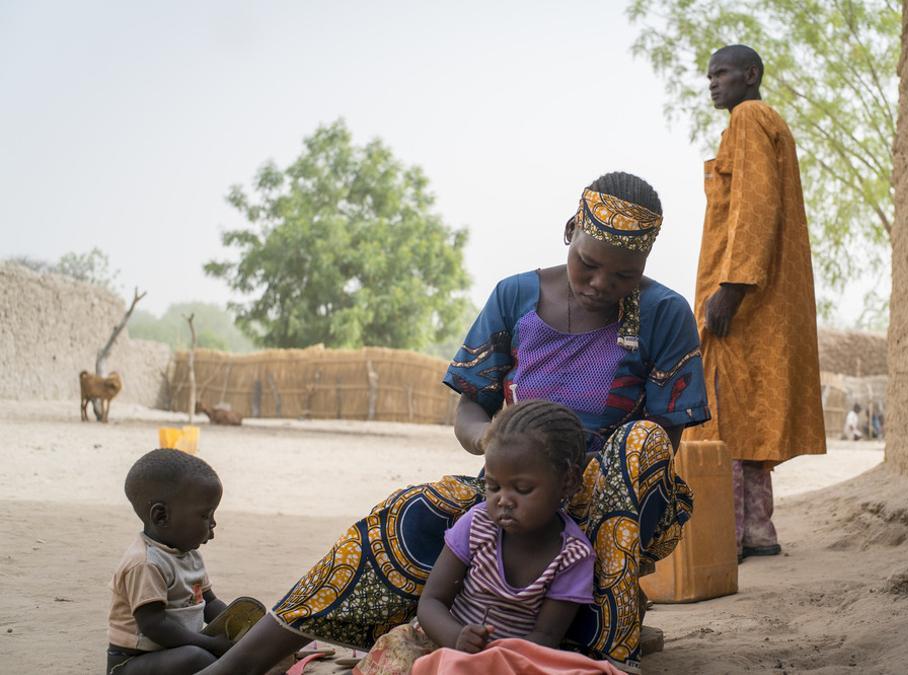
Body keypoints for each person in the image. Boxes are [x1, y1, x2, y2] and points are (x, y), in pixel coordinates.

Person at [198, 171, 710, 675]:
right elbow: (471, 402)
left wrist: (574, 483)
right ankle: (239, 662)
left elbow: (664, 437)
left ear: (644, 262)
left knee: (641, 441)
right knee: (407, 516)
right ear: (569, 231)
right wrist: (487, 439)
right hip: (518, 484)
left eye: (624, 276)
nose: (602, 285)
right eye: (589, 265)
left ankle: (616, 652)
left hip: (613, 498)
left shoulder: (665, 313)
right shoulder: (515, 297)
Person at [685, 44, 826, 563]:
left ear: (751, 74)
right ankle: (758, 531)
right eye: (708, 76)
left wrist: (731, 287)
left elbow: (753, 207)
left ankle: (733, 535)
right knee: (744, 415)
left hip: (745, 296)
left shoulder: (748, 118)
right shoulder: (764, 123)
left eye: (720, 73)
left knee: (724, 410)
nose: (712, 83)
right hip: (761, 296)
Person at [357, 400, 598, 672]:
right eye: (493, 486)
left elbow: (545, 638)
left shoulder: (573, 556)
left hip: (513, 662)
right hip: (444, 644)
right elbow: (432, 602)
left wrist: (491, 662)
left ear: (568, 482)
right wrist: (456, 639)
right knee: (401, 648)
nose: (504, 500)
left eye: (522, 488)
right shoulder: (478, 524)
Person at [107, 449, 233, 674]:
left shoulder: (190, 555)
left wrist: (239, 624)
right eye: (205, 516)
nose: (213, 524)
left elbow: (209, 603)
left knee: (217, 655)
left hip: (173, 654)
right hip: (132, 663)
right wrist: (210, 644)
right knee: (199, 658)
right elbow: (155, 625)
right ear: (161, 516)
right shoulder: (146, 563)